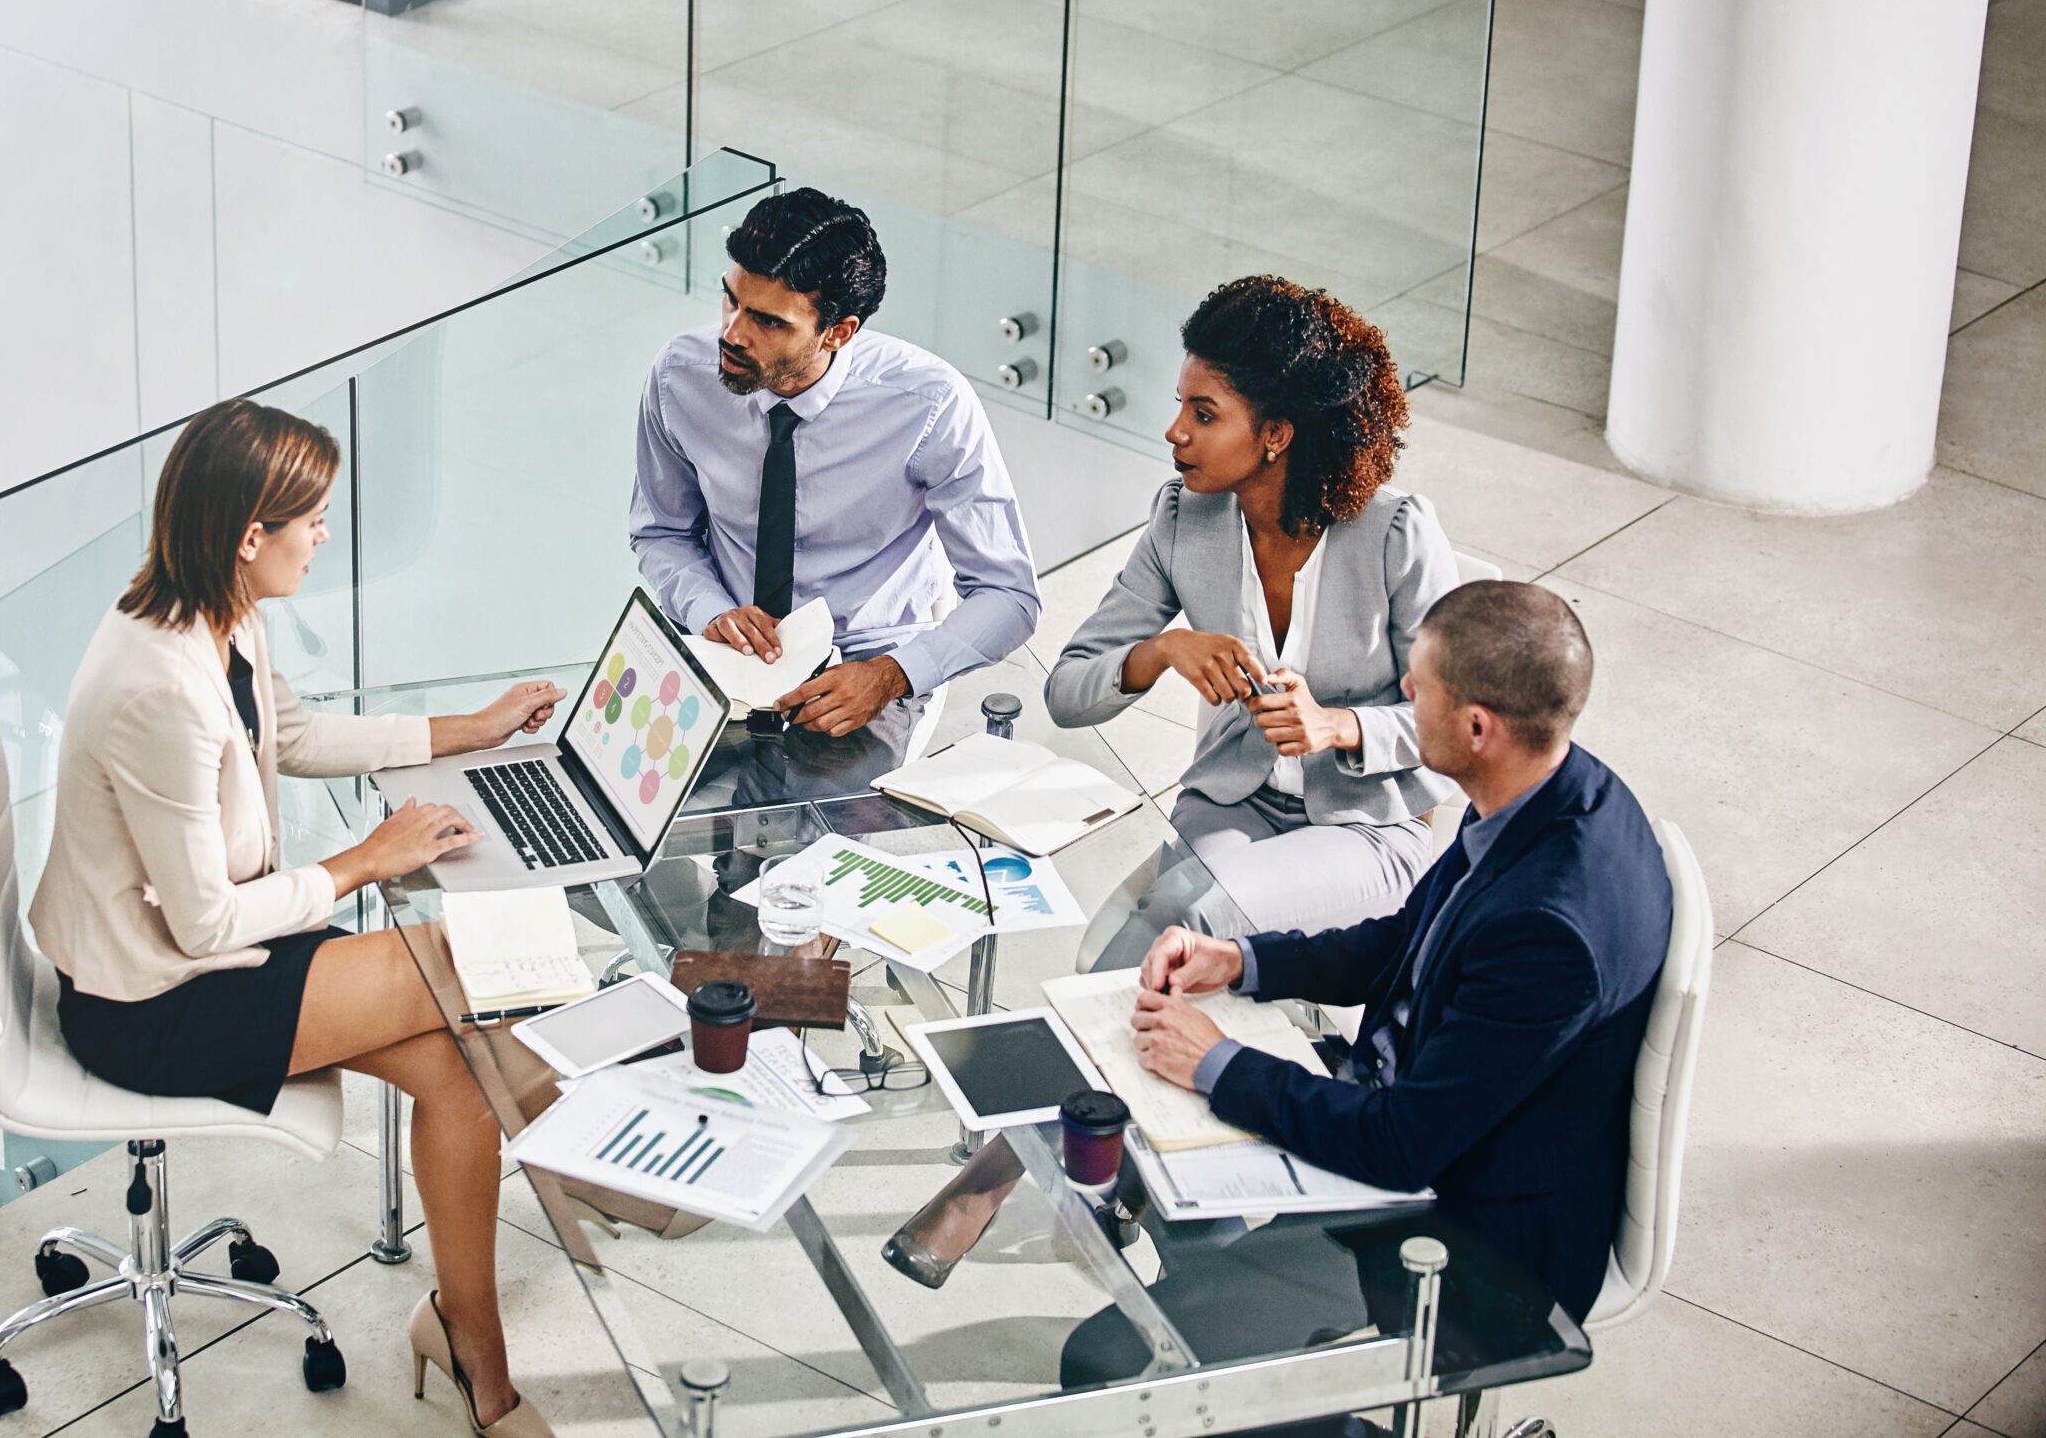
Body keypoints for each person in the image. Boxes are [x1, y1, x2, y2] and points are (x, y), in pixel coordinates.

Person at [28, 399, 561, 1438]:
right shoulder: (159, 692)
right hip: (154, 1002)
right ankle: (599, 1155)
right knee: (466, 961)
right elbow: (200, 927)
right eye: (311, 520)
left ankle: (469, 1350)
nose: (324, 536)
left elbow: (299, 735)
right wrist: (366, 862)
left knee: (457, 1074)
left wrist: (472, 727)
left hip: (219, 953)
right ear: (247, 537)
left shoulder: (216, 612)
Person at [1126, 579, 1673, 1329]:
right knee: (1148, 1136)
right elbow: (1405, 938)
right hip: (1420, 1118)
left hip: (1469, 1248)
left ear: (1478, 727)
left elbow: (1398, 1144)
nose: (1405, 689)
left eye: (1422, 687)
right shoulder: (1549, 790)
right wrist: (1241, 958)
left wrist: (1215, 1059)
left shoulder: (1549, 930)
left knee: (1112, 1353)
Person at [1045, 274, 1460, 955]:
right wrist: (1163, 651)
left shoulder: (1394, 536)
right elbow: (1066, 690)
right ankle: (1078, 1053)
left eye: (1204, 415)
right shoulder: (1184, 519)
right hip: (1232, 803)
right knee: (1167, 926)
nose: (1174, 430)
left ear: (1275, 434)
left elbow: (1461, 727)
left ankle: (1068, 1052)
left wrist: (1336, 725)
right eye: (1181, 405)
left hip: (1368, 829)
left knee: (1193, 917)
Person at [628, 186, 1042, 761]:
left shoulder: (929, 404)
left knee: (818, 848)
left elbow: (1008, 595)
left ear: (839, 332)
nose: (732, 334)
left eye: (768, 322)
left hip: (864, 669)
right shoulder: (681, 375)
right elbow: (662, 532)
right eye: (731, 301)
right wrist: (710, 610)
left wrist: (892, 676)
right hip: (717, 654)